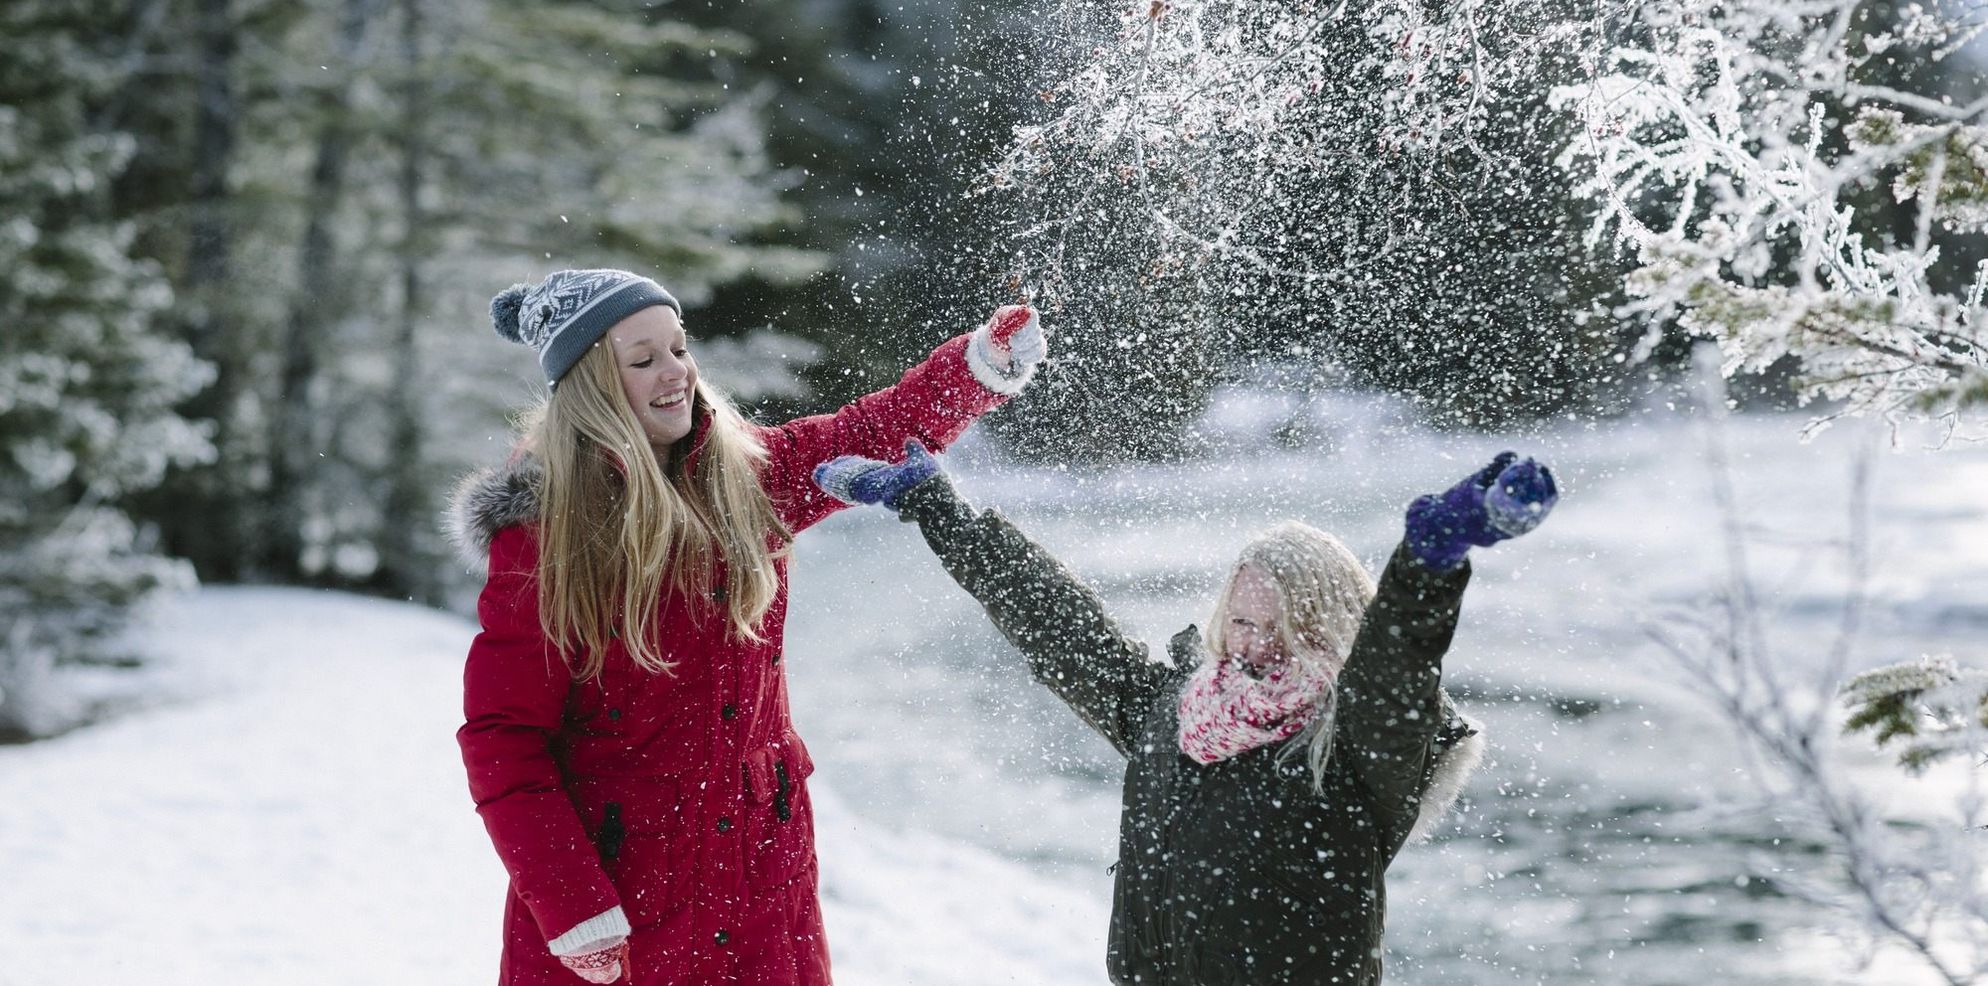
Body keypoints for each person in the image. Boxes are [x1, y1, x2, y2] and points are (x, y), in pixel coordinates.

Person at [444, 268, 1046, 986]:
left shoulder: (745, 477)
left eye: (679, 348)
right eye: (643, 360)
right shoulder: (549, 538)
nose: (675, 373)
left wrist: (976, 368)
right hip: (626, 899)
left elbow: (868, 430)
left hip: (762, 882)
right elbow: (504, 739)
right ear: (592, 390)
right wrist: (573, 906)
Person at [812, 443, 1559, 985]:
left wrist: (1429, 560)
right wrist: (938, 509)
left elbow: (1396, 667)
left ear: (1328, 626)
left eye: (1282, 628)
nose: (1255, 645)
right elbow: (1060, 626)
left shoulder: (1354, 743)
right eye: (1243, 621)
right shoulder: (1178, 712)